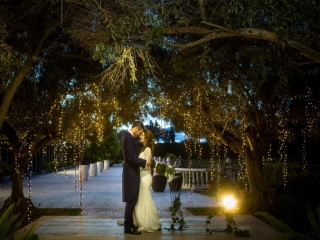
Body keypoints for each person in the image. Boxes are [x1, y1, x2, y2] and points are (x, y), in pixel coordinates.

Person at [122, 121, 151, 235]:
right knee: (131, 201)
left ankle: (129, 224)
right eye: (139, 132)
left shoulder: (129, 138)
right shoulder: (128, 138)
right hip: (131, 174)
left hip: (131, 173)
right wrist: (145, 162)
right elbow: (132, 158)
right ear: (135, 128)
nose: (139, 134)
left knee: (132, 200)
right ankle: (127, 227)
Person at [133, 129, 162, 232]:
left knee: (145, 199)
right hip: (143, 177)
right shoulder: (145, 149)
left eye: (142, 135)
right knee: (142, 199)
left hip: (144, 178)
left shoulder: (147, 150)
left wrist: (135, 166)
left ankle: (150, 223)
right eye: (140, 135)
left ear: (147, 138)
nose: (140, 136)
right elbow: (146, 164)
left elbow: (145, 167)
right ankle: (142, 221)